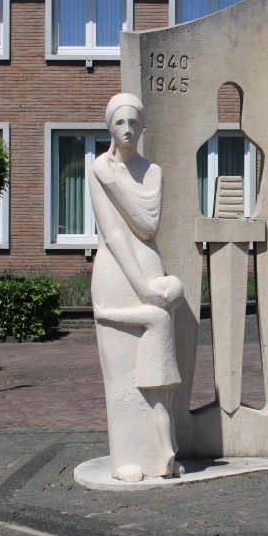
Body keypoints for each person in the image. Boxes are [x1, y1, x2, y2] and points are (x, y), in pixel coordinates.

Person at [90, 92, 184, 481]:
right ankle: (126, 456)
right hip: (116, 274)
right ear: (109, 126)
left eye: (134, 123)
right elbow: (113, 234)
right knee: (120, 372)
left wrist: (114, 181)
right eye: (120, 123)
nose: (127, 130)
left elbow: (147, 225)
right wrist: (141, 288)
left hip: (149, 267)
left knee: (152, 377)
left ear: (143, 126)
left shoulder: (152, 171)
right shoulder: (97, 169)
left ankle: (159, 456)